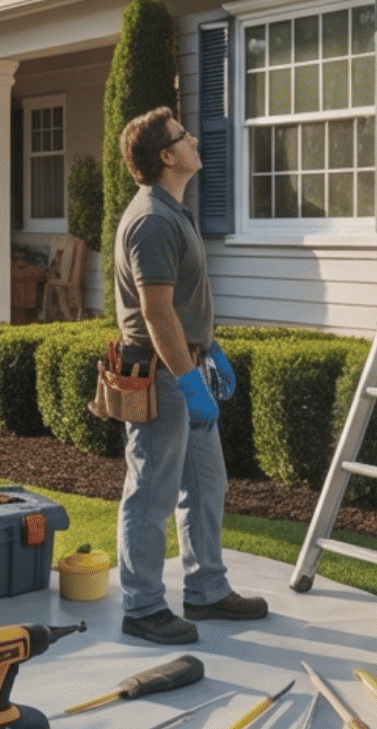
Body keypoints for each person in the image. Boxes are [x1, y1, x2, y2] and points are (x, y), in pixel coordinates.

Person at [112, 106, 268, 645]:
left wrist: (210, 348)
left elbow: (181, 301)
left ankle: (206, 590)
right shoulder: (153, 221)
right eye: (183, 136)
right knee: (152, 490)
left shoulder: (173, 211)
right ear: (166, 156)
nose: (194, 139)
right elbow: (156, 314)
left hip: (187, 362)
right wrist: (187, 380)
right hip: (162, 376)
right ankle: (142, 606)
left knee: (206, 483)